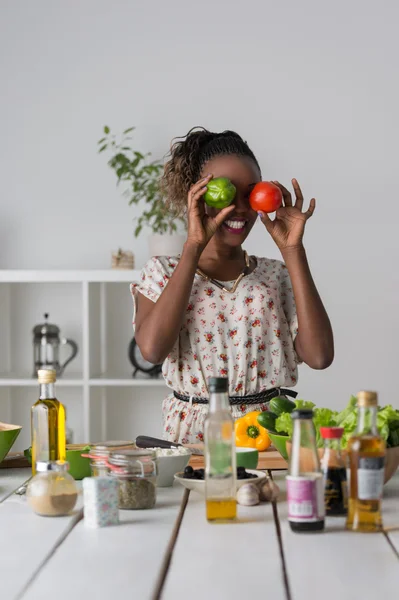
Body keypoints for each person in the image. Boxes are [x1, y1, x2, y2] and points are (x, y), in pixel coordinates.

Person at [131, 128, 334, 444]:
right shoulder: (162, 272)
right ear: (195, 194)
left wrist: (293, 251)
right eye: (225, 192)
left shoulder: (275, 276)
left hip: (269, 433)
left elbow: (320, 357)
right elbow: (153, 351)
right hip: (193, 439)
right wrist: (194, 245)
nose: (240, 208)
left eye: (251, 194)